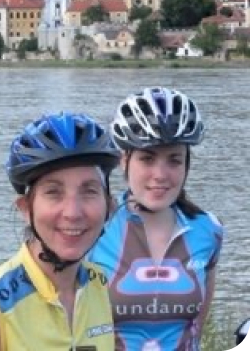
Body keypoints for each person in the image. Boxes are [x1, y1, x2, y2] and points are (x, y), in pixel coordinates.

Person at [0, 112, 119, 351]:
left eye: (89, 191)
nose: (73, 212)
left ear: (109, 206)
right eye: (53, 192)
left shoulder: (100, 285)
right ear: (25, 208)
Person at [90, 87, 223, 351]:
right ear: (124, 160)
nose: (160, 175)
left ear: (187, 165)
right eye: (147, 159)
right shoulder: (94, 227)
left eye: (174, 161)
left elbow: (196, 329)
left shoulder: (209, 230)